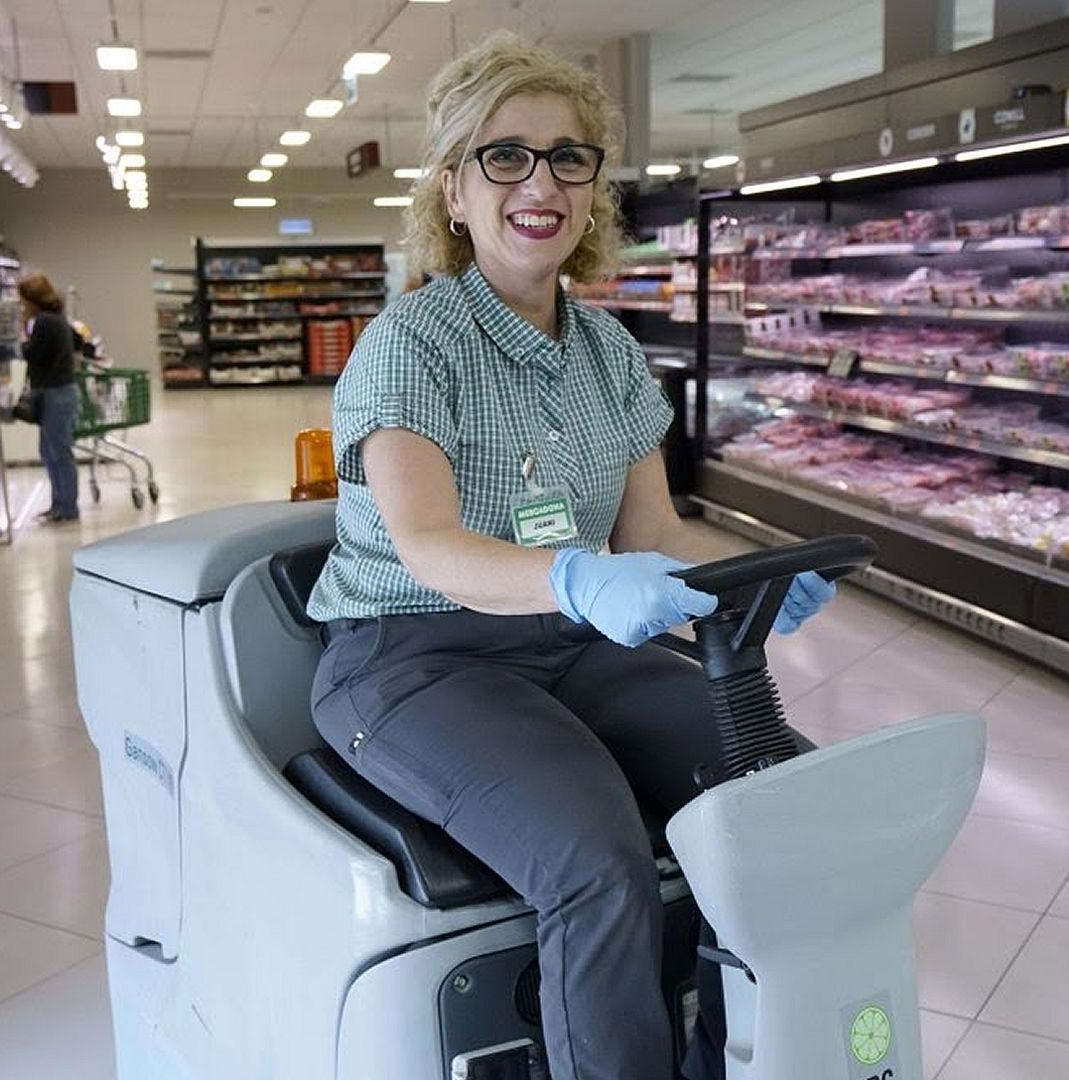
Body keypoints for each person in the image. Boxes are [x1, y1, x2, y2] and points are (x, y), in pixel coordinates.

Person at [303, 33, 835, 1080]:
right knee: (596, 863)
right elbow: (429, 545)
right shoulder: (411, 343)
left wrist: (748, 580)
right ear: (453, 190)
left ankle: (738, 1061)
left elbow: (653, 541)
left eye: (568, 157)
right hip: (410, 662)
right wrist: (574, 577)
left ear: (595, 189)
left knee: (779, 800)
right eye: (505, 156)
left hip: (569, 640)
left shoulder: (612, 353)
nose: (539, 182)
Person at [18, 272, 79, 523]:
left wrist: (23, 337)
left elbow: (34, 355)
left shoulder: (43, 322)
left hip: (55, 393)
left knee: (58, 452)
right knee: (50, 451)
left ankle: (67, 508)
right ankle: (60, 504)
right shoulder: (57, 318)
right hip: (60, 391)